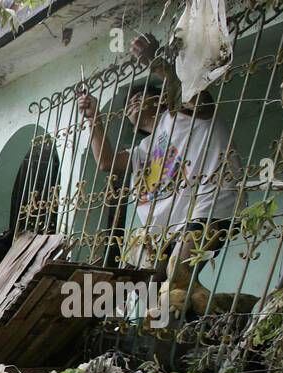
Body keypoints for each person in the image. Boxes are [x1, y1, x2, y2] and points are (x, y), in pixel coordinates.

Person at [77, 32, 238, 319]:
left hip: (209, 209)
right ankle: (225, 312)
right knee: (151, 285)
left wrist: (155, 62)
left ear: (162, 99)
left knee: (177, 273)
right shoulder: (143, 148)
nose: (133, 104)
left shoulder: (183, 115)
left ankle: (190, 330)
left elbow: (196, 97)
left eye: (140, 97)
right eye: (128, 105)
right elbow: (106, 163)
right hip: (165, 232)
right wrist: (93, 120)